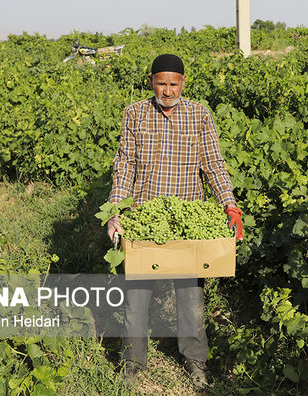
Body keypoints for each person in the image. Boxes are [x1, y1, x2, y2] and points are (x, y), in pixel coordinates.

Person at [106, 53, 243, 389]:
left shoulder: (199, 114)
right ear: (151, 81)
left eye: (173, 83)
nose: (167, 91)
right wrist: (115, 212)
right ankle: (132, 364)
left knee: (190, 297)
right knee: (136, 295)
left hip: (186, 221)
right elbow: (125, 165)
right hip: (144, 219)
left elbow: (213, 164)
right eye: (161, 83)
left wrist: (230, 207)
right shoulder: (135, 113)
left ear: (184, 82)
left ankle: (196, 362)